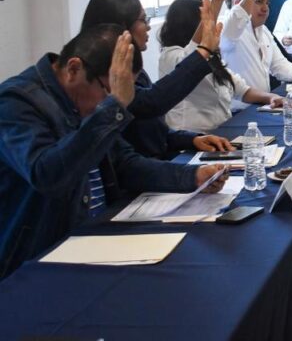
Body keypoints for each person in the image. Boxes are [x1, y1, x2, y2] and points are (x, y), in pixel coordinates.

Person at [0, 25, 228, 279]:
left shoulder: (86, 103)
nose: (109, 101)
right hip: (39, 260)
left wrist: (192, 177)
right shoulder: (15, 102)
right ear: (73, 69)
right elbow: (47, 174)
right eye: (107, 90)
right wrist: (114, 105)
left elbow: (125, 164)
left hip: (97, 239)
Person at [80, 0, 233, 159]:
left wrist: (192, 140)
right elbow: (150, 103)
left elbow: (154, 131)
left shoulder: (134, 69)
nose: (148, 27)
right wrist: (204, 50)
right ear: (121, 26)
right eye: (143, 20)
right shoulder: (105, 75)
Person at [159, 0, 285, 133]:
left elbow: (239, 88)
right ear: (190, 25)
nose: (212, 26)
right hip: (191, 138)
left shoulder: (209, 55)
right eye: (207, 20)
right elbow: (190, 62)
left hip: (223, 131)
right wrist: (217, 2)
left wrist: (271, 97)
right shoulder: (170, 56)